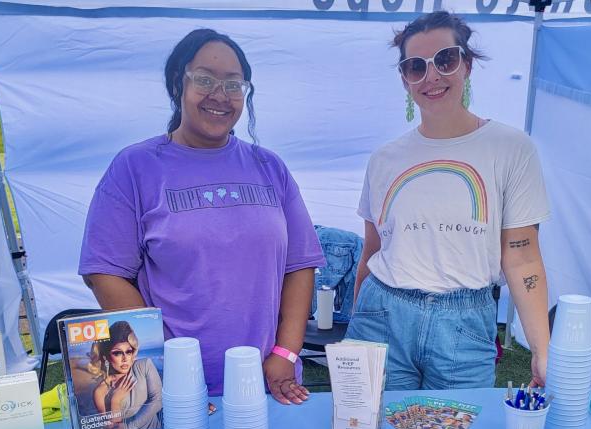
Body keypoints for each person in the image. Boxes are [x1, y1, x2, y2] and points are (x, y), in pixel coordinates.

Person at [79, 29, 324, 404]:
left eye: (233, 84)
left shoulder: (269, 167)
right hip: (173, 392)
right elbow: (104, 272)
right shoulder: (136, 167)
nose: (219, 95)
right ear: (178, 83)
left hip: (266, 383)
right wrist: (165, 363)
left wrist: (285, 354)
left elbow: (300, 265)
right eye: (205, 80)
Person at [347, 11, 551, 390]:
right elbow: (372, 250)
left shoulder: (511, 149)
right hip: (381, 315)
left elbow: (522, 256)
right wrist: (357, 320)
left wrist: (542, 347)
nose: (431, 76)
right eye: (415, 66)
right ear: (404, 78)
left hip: (464, 322)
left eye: (445, 60)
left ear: (466, 65)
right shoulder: (383, 160)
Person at [88, 320, 162, 429]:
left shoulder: (144, 366)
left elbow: (158, 400)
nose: (125, 358)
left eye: (128, 352)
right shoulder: (100, 391)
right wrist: (115, 400)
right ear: (106, 357)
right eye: (117, 353)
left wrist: (129, 427)